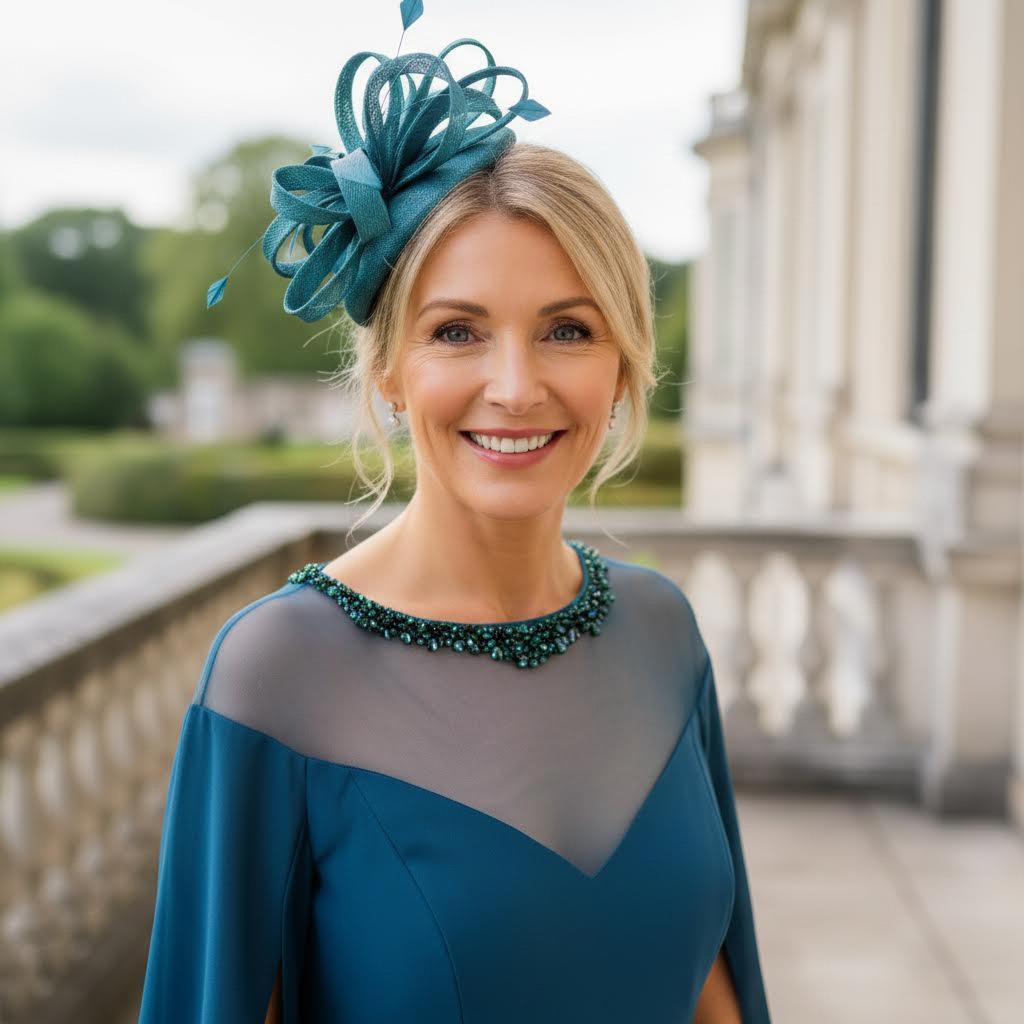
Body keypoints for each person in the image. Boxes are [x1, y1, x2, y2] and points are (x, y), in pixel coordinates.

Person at [137, 4, 772, 1022]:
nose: (515, 386)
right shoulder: (277, 672)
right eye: (458, 331)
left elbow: (712, 991)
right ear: (389, 368)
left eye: (567, 329)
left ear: (621, 367)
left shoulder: (663, 630)